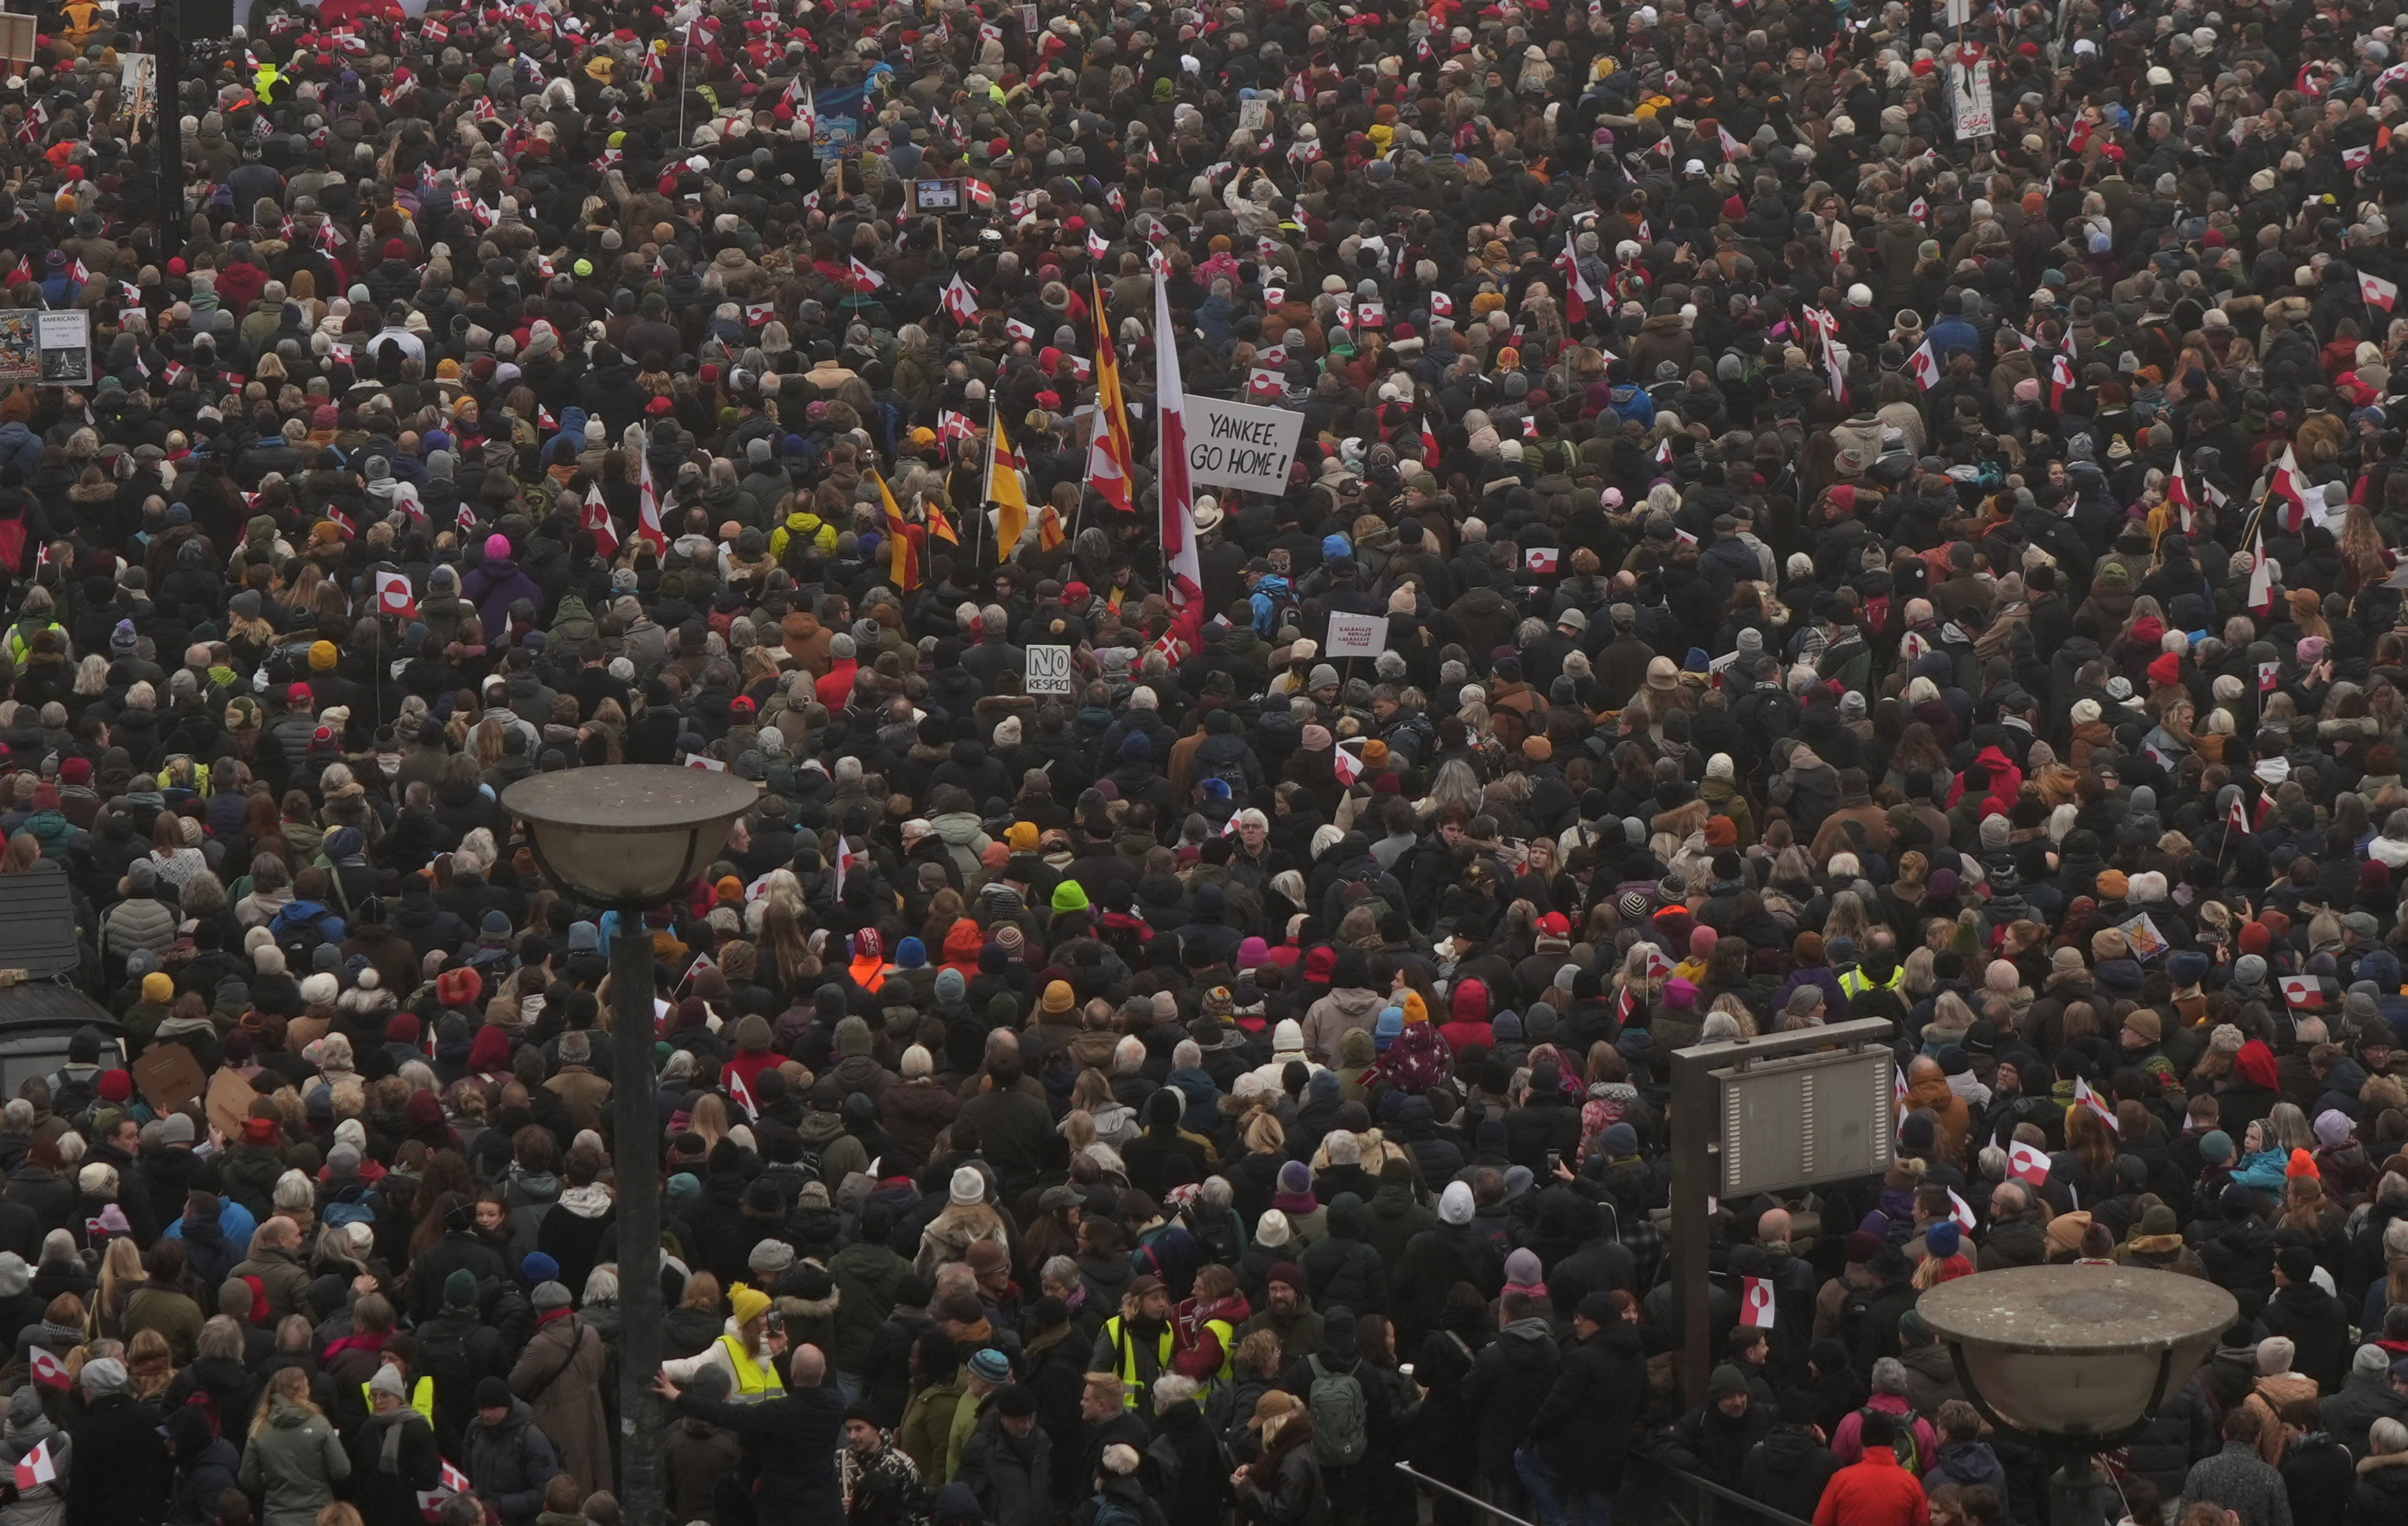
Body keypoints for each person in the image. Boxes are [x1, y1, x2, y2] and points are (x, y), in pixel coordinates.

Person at [657, 1343, 847, 1526]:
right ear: (823, 1371)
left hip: (785, 1511)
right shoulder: (835, 1404)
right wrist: (780, 1356)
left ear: (793, 1372)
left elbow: (724, 1414)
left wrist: (678, 1396)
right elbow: (805, 1397)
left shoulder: (775, 1413)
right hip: (826, 1509)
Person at [238, 1367, 352, 1526]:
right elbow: (341, 1470)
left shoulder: (259, 1429)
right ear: (303, 1391)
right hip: (319, 1515)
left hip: (277, 1517)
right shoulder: (320, 1424)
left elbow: (247, 1477)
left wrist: (270, 1480)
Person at [1810, 1412, 1929, 1526]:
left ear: (1862, 1442)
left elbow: (1821, 1522)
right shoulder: (1912, 1484)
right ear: (1893, 1444)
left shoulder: (1841, 1480)